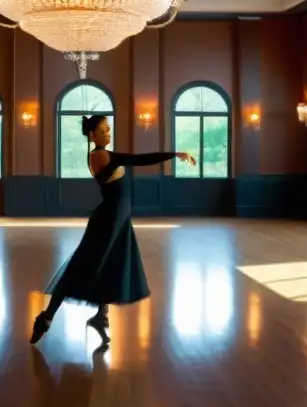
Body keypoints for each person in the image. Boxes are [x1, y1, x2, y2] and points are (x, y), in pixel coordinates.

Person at [30, 113, 196, 345]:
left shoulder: (106, 154)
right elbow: (140, 159)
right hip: (108, 220)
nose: (108, 133)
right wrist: (175, 154)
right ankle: (46, 318)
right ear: (92, 134)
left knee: (111, 266)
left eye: (109, 129)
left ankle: (101, 316)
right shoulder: (101, 156)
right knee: (82, 268)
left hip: (119, 220)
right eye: (104, 130)